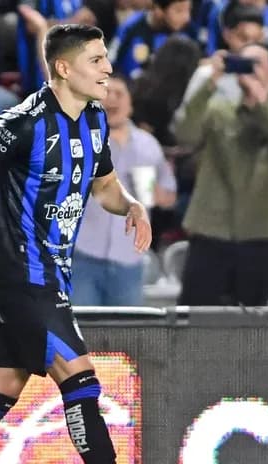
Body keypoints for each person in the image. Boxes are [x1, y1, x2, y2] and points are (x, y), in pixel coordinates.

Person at [0, 24, 152, 463]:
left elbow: (104, 187)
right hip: (24, 277)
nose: (107, 69)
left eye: (106, 58)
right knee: (81, 383)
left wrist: (132, 206)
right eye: (96, 60)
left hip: (55, 276)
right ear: (64, 68)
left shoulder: (95, 118)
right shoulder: (20, 124)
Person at [175, 43, 268, 307]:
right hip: (211, 231)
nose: (251, 70)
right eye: (244, 63)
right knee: (196, 322)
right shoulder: (217, 110)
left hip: (260, 236)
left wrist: (262, 104)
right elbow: (185, 134)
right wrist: (210, 80)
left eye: (258, 64)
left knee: (251, 330)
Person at [71, 75, 176, 306]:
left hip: (129, 261)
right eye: (106, 93)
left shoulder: (148, 145)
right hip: (83, 257)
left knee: (125, 338)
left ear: (130, 103)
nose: (113, 100)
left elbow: (169, 196)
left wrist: (156, 194)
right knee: (82, 335)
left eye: (120, 94)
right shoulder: (78, 140)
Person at [108, 0, 195, 78]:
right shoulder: (131, 27)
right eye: (179, 11)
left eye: (189, 10)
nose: (187, 18)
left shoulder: (184, 37)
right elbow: (110, 63)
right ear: (158, 10)